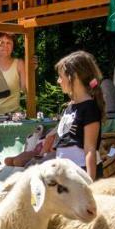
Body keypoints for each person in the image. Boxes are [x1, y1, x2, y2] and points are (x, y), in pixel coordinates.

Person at [27, 51, 103, 181]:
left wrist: (90, 182)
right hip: (64, 174)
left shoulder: (89, 108)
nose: (58, 81)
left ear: (74, 76)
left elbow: (90, 148)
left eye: (60, 76)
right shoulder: (69, 107)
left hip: (81, 172)